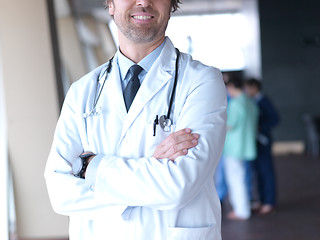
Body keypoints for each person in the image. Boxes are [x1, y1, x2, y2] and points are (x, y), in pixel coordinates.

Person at [44, 0, 227, 239]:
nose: (143, 2)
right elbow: (60, 193)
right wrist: (153, 174)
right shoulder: (82, 91)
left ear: (171, 4)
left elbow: (177, 185)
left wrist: (92, 166)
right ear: (110, 4)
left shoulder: (202, 81)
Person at [223, 77, 258, 220]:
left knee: (236, 179)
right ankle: (243, 208)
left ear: (230, 86)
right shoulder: (250, 101)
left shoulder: (236, 104)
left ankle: (241, 211)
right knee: (242, 177)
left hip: (234, 147)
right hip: (246, 145)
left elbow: (229, 125)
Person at [244, 78, 279, 215]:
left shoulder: (264, 101)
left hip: (263, 141)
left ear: (254, 87)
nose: (246, 91)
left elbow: (275, 119)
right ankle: (262, 199)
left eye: (248, 88)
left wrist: (260, 128)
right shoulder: (252, 101)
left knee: (266, 171)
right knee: (257, 171)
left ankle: (269, 201)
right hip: (255, 142)